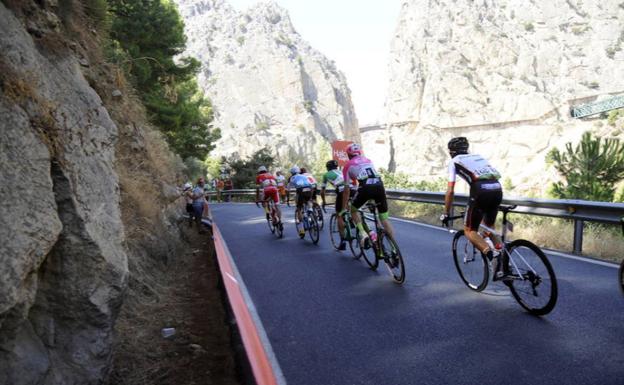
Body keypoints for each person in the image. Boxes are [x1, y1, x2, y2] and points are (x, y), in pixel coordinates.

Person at [440, 137, 505, 280]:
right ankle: (503, 258)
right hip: (497, 188)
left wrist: (445, 213)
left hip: (480, 190)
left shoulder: (454, 162)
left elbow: (450, 191)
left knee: (469, 230)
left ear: (451, 152)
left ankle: (492, 255)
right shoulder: (478, 157)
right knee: (489, 228)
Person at [340, 143, 394, 247]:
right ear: (359, 152)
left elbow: (346, 190)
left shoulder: (347, 165)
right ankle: (393, 249)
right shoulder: (368, 160)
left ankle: (363, 233)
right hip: (379, 185)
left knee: (353, 210)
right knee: (383, 218)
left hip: (365, 186)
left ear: (348, 155)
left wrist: (343, 208)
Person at [321, 159, 351, 250]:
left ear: (327, 168)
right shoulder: (341, 171)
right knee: (351, 209)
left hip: (343, 191)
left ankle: (343, 241)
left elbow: (322, 191)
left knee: (339, 215)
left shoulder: (326, 175)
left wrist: (324, 201)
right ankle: (352, 222)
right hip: (353, 189)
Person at [288, 165, 313, 237]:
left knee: (299, 208)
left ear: (292, 173)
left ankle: (301, 229)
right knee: (308, 200)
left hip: (300, 190)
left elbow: (288, 189)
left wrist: (287, 199)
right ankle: (310, 210)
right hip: (309, 188)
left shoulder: (292, 178)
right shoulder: (304, 176)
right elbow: (310, 183)